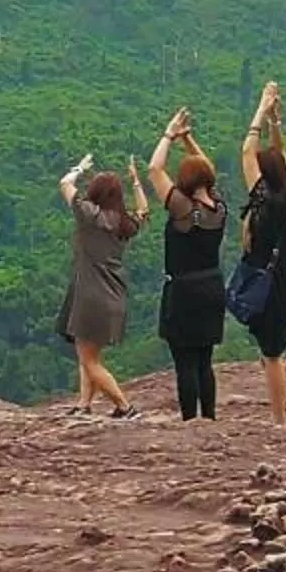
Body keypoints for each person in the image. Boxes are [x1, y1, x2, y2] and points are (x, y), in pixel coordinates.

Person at [148, 107, 228, 420]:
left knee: (185, 362)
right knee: (204, 361)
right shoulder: (218, 207)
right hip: (212, 287)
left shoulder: (183, 208)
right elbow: (208, 171)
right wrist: (188, 140)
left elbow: (155, 169)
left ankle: (190, 422)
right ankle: (209, 417)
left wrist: (169, 135)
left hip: (184, 291)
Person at [237, 81, 286, 425]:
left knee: (273, 355)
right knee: (272, 352)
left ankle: (280, 421)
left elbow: (246, 152)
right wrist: (275, 123)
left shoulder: (265, 205)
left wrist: (261, 109)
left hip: (271, 289)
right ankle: (279, 412)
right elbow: (281, 158)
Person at [57, 149, 148, 417]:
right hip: (114, 296)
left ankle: (125, 406)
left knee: (88, 359)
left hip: (91, 296)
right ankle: (84, 405)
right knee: (89, 354)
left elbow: (65, 184)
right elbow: (144, 211)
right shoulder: (124, 224)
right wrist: (136, 180)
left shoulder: (89, 215)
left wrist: (79, 168)